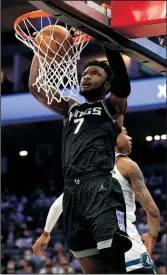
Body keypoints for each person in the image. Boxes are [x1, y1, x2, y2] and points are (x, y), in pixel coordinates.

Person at [29, 37, 132, 273]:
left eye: (95, 73)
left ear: (107, 85)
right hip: (72, 194)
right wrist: (40, 50)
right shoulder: (71, 108)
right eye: (85, 73)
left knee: (114, 267)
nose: (86, 76)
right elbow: (36, 87)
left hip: (101, 189)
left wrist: (106, 39)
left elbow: (123, 86)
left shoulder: (111, 107)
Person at [32, 127, 160, 274]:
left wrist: (46, 233)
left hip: (97, 254)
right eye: (125, 133)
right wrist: (152, 235)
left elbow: (57, 206)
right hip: (128, 250)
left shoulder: (84, 173)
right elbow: (153, 211)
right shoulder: (126, 165)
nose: (130, 137)